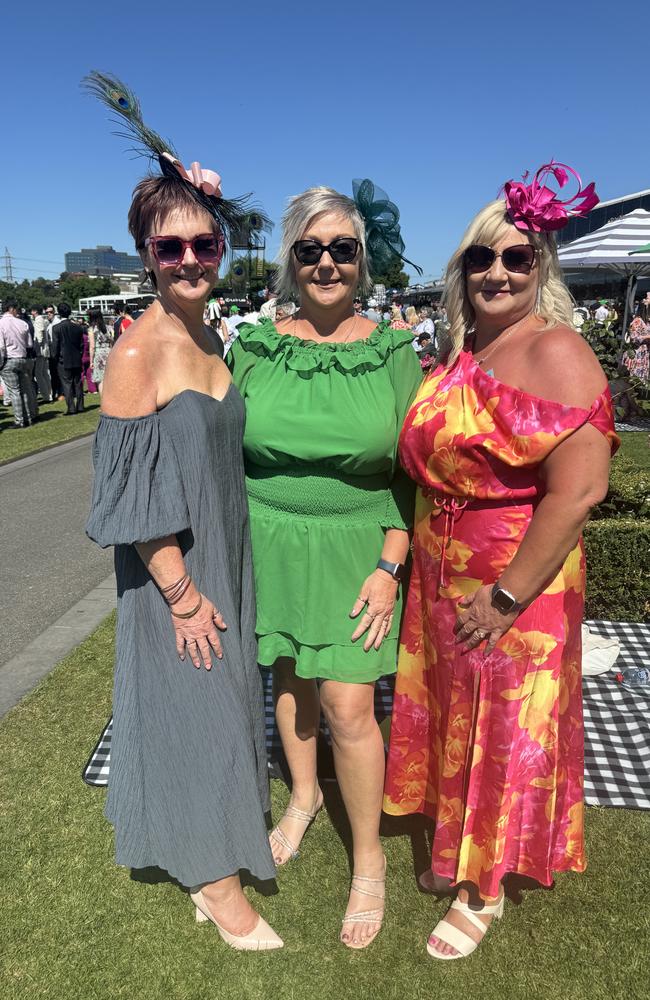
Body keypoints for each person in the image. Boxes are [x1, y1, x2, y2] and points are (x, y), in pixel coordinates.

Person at [384, 161, 618, 960]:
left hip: (519, 579)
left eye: (517, 257)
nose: (496, 272)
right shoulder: (464, 350)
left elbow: (580, 490)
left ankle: (483, 891)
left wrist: (510, 595)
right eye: (480, 258)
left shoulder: (556, 351)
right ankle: (458, 851)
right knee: (460, 719)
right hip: (444, 572)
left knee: (504, 726)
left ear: (541, 267)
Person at [83, 70, 281, 951]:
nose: (192, 260)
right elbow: (123, 496)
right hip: (177, 570)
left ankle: (223, 840)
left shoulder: (211, 335)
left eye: (206, 245)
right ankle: (212, 879)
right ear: (147, 256)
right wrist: (181, 592)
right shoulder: (138, 353)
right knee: (195, 708)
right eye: (173, 250)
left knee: (226, 702)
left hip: (223, 549)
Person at [228, 181, 422, 949]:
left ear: (362, 260)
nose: (326, 263)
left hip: (357, 549)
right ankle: (304, 797)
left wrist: (390, 565)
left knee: (348, 705)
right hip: (269, 540)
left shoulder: (394, 349)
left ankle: (368, 859)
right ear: (290, 261)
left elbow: (414, 469)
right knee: (289, 679)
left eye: (342, 248)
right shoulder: (254, 344)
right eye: (310, 250)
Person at [0, 300, 39, 427]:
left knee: (14, 391)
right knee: (25, 390)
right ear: (12, 309)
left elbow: (1, 346)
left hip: (9, 359)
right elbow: (29, 344)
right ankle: (28, 416)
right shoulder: (23, 323)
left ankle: (19, 419)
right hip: (23, 358)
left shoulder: (1, 323)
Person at [51, 303, 85, 415]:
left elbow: (55, 346)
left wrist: (54, 358)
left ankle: (71, 408)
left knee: (67, 384)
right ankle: (80, 406)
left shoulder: (56, 328)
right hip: (76, 358)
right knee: (78, 383)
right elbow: (81, 345)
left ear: (59, 314)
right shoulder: (78, 327)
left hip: (63, 360)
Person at [88, 308, 114, 395]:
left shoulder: (92, 329)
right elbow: (111, 341)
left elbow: (92, 346)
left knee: (100, 379)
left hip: (98, 352)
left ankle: (104, 402)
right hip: (108, 351)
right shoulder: (107, 327)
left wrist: (91, 361)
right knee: (109, 377)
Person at [30, 307, 53, 402]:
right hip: (44, 349)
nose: (31, 312)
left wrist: (37, 346)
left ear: (35, 311)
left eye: (32, 311)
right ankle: (49, 394)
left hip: (40, 350)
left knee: (38, 374)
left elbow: (40, 334)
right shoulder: (43, 320)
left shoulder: (38, 320)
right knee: (44, 373)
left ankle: (46, 395)